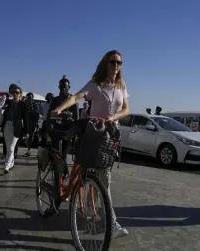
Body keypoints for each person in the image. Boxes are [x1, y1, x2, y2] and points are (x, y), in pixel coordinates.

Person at [51, 50, 129, 238]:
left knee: (101, 180)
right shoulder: (96, 85)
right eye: (113, 62)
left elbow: (126, 109)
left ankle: (92, 215)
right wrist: (60, 108)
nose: (116, 66)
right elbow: (77, 97)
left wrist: (113, 117)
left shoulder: (121, 86)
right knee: (99, 179)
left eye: (119, 63)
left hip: (111, 138)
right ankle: (111, 223)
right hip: (94, 135)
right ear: (105, 63)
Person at [48, 75, 79, 178]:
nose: (63, 89)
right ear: (58, 87)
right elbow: (49, 115)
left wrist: (69, 118)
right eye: (61, 87)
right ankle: (57, 171)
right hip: (56, 129)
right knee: (55, 153)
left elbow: (76, 119)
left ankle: (64, 171)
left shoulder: (73, 101)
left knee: (64, 154)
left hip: (68, 130)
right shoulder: (55, 100)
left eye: (65, 87)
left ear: (69, 87)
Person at [1, 86, 28, 173]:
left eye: (17, 92)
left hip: (17, 128)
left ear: (20, 94)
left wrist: (26, 132)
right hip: (7, 126)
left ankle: (6, 165)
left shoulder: (23, 104)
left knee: (12, 148)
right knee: (9, 147)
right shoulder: (8, 102)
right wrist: (2, 103)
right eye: (14, 92)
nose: (15, 94)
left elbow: (26, 118)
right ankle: (11, 163)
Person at [0, 83, 19, 159]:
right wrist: (5, 108)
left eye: (16, 91)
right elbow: (0, 108)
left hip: (15, 122)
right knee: (6, 140)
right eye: (14, 90)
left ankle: (14, 154)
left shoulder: (18, 97)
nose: (15, 92)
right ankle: (5, 154)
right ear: (10, 90)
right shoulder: (5, 96)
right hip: (7, 121)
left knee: (15, 139)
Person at [25, 92, 40, 157]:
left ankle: (36, 152)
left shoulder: (35, 104)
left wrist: (36, 124)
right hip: (26, 122)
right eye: (28, 97)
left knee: (33, 138)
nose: (29, 99)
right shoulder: (25, 104)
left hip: (33, 123)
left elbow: (37, 114)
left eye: (30, 98)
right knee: (28, 138)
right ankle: (28, 150)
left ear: (32, 98)